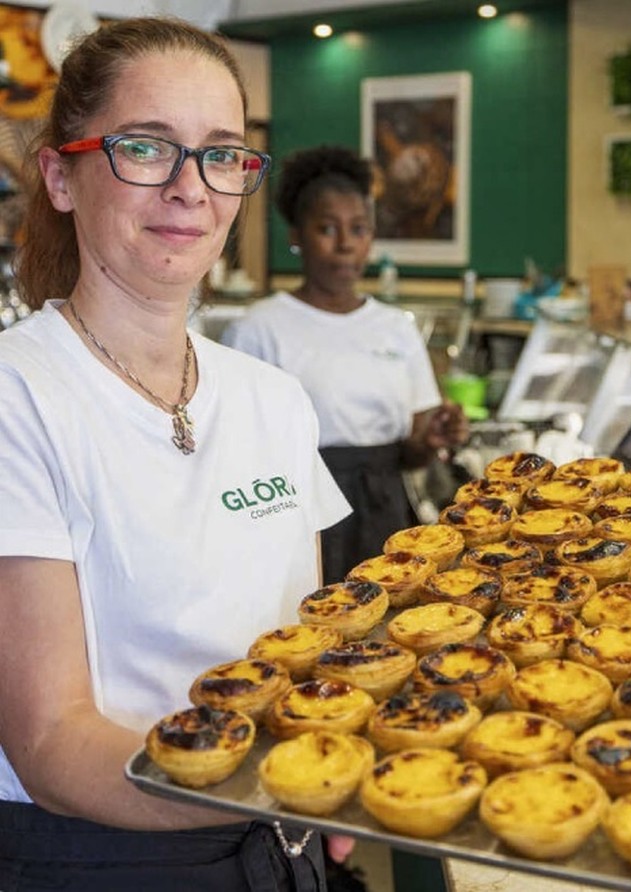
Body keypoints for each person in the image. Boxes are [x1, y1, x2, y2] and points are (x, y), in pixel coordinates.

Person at [0, 18, 357, 891]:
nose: (192, 188)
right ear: (60, 175)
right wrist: (292, 784)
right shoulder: (18, 395)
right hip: (99, 857)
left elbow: (300, 655)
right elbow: (53, 744)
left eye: (223, 155)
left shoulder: (271, 397)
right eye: (147, 149)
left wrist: (334, 772)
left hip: (277, 848)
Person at [222, 144, 469, 583]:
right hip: (297, 512)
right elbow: (239, 453)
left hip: (387, 508)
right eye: (327, 228)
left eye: (358, 229)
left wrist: (434, 438)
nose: (345, 245)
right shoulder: (259, 329)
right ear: (296, 235)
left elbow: (412, 454)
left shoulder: (396, 327)